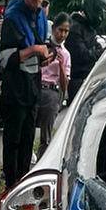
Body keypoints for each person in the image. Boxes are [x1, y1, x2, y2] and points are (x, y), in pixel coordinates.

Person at [0, 0, 51, 187]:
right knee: (14, 140)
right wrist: (33, 51)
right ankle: (11, 183)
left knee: (29, 138)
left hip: (32, 88)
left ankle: (22, 181)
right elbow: (5, 59)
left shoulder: (39, 16)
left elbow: (43, 45)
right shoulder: (13, 16)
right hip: (14, 90)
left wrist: (46, 55)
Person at [66, 0, 106, 101]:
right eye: (100, 11)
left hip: (88, 80)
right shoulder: (75, 28)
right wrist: (103, 52)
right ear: (94, 9)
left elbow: (96, 47)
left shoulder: (89, 28)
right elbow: (82, 56)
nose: (102, 16)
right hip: (77, 83)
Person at [37, 12, 72, 155]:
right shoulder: (42, 46)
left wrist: (61, 66)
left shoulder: (66, 54)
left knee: (46, 137)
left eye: (66, 31)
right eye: (60, 30)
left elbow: (65, 85)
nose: (62, 34)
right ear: (53, 29)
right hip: (36, 87)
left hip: (52, 92)